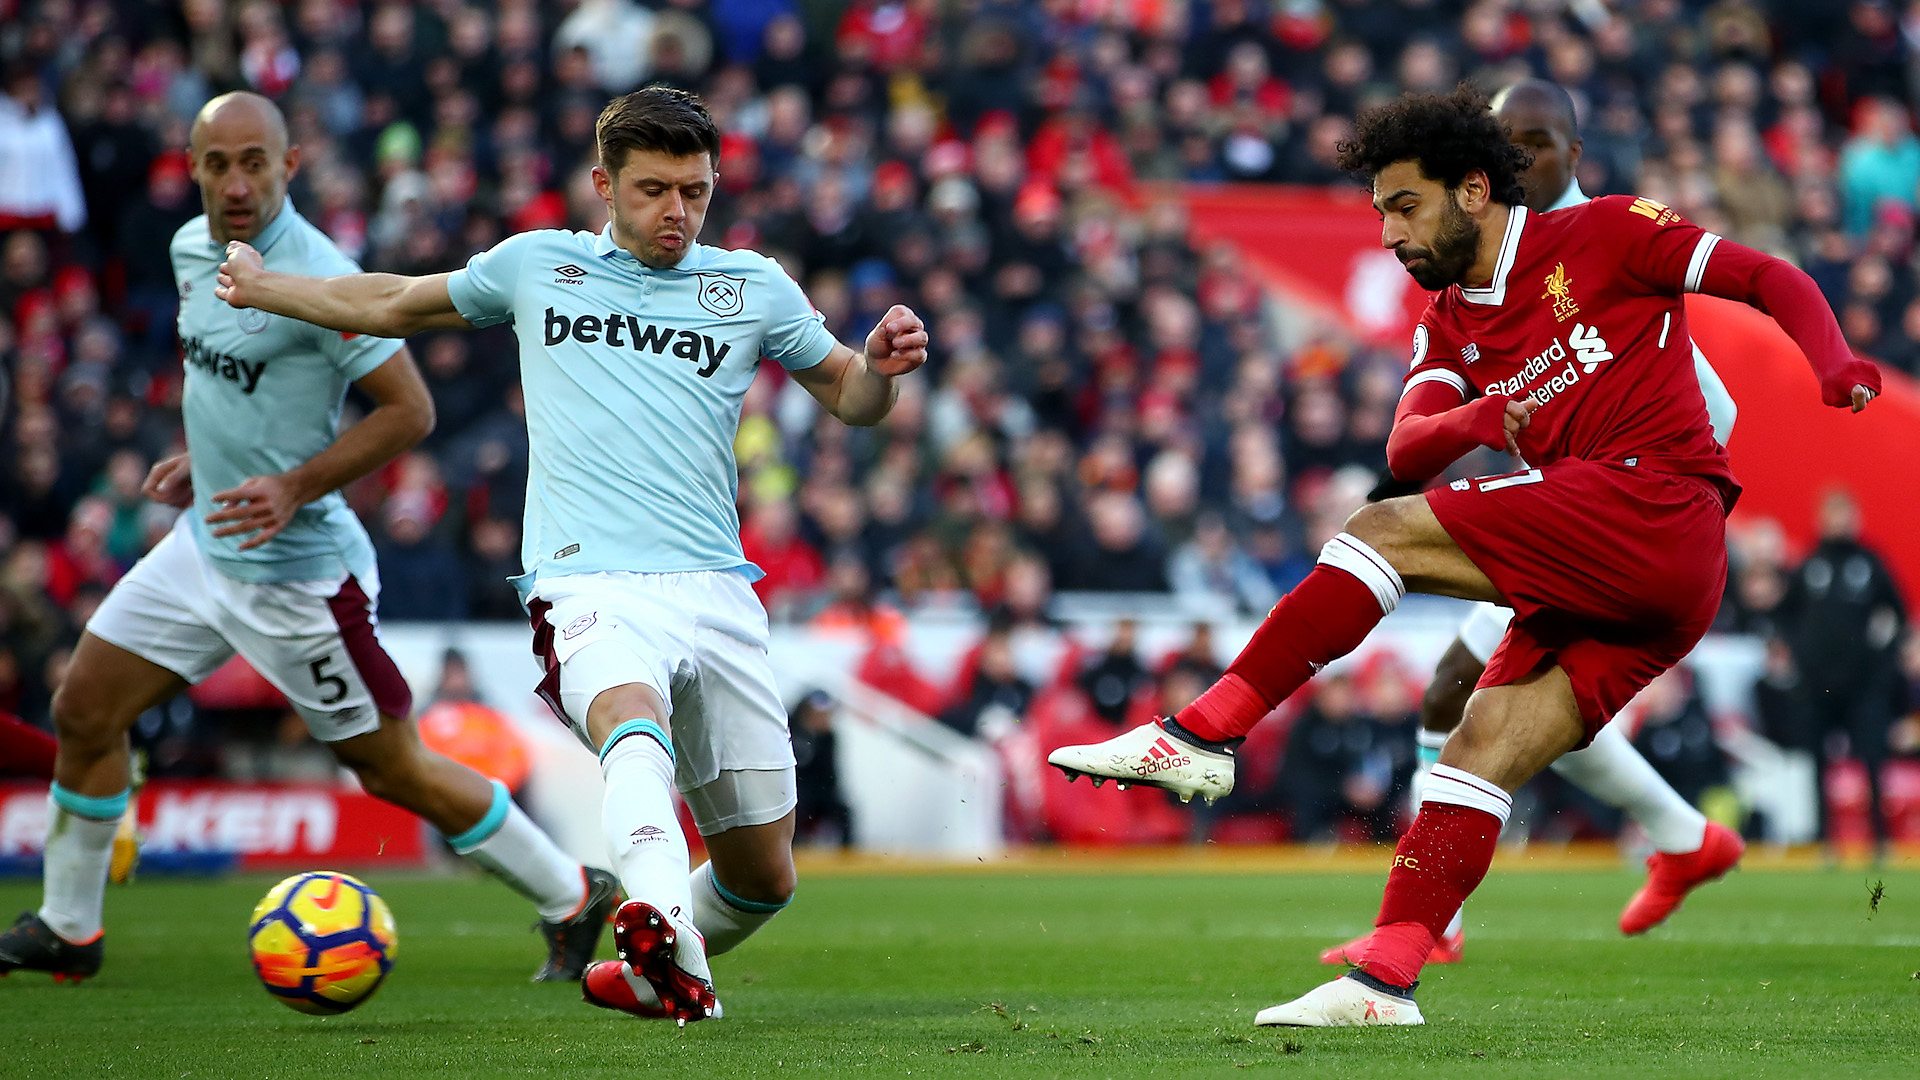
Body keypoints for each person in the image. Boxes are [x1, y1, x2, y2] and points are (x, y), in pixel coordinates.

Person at [1047, 83, 1879, 1027]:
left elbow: (1769, 277)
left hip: (1655, 502)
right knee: (1474, 749)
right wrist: (1479, 416)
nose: (1393, 234)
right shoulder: (1449, 319)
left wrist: (1834, 361)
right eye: (1381, 214)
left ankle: (1203, 734)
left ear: (1475, 192)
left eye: (1406, 206)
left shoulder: (1605, 234)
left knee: (1381, 534)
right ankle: (1385, 981)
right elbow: (1405, 447)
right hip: (1643, 580)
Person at [209, 87, 928, 1023]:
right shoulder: (538, 266)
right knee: (632, 719)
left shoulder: (751, 287)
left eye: (696, 192)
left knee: (763, 876)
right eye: (655, 189)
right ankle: (660, 923)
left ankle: (650, 963)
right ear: (604, 184)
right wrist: (268, 288)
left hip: (717, 588)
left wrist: (877, 371)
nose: (677, 211)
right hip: (585, 577)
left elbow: (850, 397)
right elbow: (393, 300)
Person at [0, 94, 616, 986]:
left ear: (290, 166)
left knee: (390, 767)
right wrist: (206, 454)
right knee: (85, 711)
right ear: (195, 166)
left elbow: (412, 412)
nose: (239, 182)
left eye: (258, 162)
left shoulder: (317, 276)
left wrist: (294, 484)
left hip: (300, 578)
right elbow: (231, 381)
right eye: (221, 164)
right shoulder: (186, 250)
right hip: (205, 546)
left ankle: (571, 892)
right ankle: (68, 926)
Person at [1321, 79, 1746, 970]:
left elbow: (1715, 403)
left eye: (1538, 141)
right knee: (1491, 703)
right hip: (1572, 510)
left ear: (1573, 155)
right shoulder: (1482, 261)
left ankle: (1437, 918)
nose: (1521, 157)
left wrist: (1643, 496)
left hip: (1625, 522)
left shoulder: (1609, 242)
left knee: (1471, 698)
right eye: (1504, 142)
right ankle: (1680, 838)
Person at [1782, 490, 1906, 860]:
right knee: (1818, 761)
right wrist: (1800, 656)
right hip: (1817, 684)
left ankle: (1880, 840)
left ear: (1855, 518)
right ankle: (1825, 841)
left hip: (1863, 685)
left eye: (1844, 515)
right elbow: (1787, 615)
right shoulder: (1810, 564)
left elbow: (1898, 613)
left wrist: (1880, 659)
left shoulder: (1870, 563)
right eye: (1831, 515)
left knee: (1872, 758)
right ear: (1821, 519)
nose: (1838, 523)